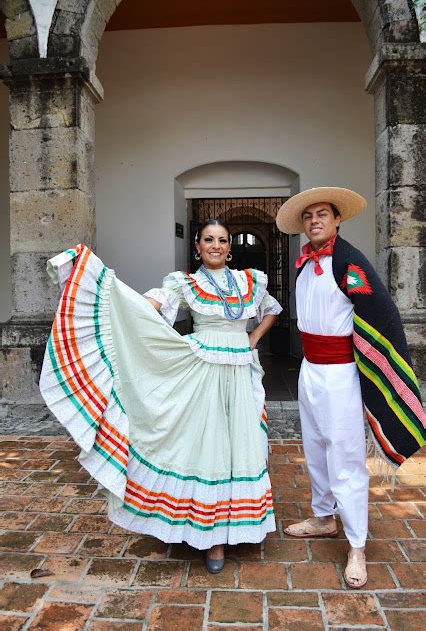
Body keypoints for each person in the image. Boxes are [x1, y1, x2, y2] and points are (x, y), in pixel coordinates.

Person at [39, 219, 282, 573]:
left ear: (230, 248)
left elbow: (272, 310)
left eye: (223, 240)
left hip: (240, 370)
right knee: (209, 446)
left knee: (240, 443)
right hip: (202, 369)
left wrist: (253, 339)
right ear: (197, 246)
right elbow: (153, 305)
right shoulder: (186, 283)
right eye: (208, 240)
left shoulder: (250, 280)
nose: (216, 245)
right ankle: (211, 537)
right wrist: (122, 305)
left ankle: (240, 523)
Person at [275, 187, 425, 588]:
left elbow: (382, 313)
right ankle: (324, 516)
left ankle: (356, 544)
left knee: (346, 455)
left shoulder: (348, 261)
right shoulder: (304, 264)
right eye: (308, 217)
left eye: (322, 214)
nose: (314, 222)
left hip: (341, 372)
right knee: (315, 447)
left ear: (337, 219)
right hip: (310, 369)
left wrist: (372, 366)